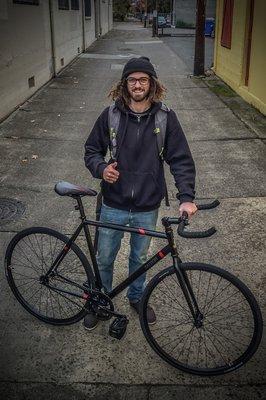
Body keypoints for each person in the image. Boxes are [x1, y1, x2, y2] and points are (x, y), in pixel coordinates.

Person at [84, 56, 197, 330]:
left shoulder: (166, 118)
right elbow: (91, 151)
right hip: (113, 202)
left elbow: (180, 160)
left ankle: (137, 298)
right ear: (125, 84)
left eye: (143, 79)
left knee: (139, 259)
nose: (137, 84)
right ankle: (100, 301)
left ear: (152, 84)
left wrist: (186, 198)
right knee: (105, 257)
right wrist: (101, 169)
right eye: (132, 80)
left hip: (147, 205)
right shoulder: (109, 115)